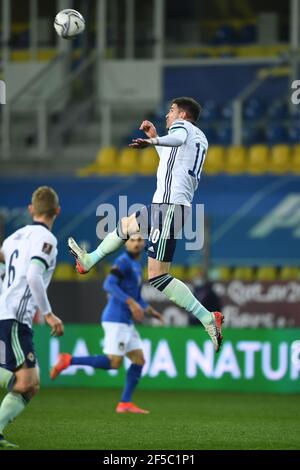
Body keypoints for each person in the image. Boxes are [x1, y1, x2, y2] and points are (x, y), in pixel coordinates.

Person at [68, 97, 224, 352]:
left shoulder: (182, 129)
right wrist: (155, 139)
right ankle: (89, 260)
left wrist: (152, 140)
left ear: (183, 114)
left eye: (172, 110)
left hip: (170, 207)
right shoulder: (199, 138)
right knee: (126, 224)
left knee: (158, 275)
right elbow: (173, 155)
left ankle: (208, 317)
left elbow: (175, 139)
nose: (167, 115)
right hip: (167, 206)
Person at [50, 234, 163, 414]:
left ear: (144, 243)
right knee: (113, 363)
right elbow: (109, 285)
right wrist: (130, 303)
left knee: (139, 360)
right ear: (127, 244)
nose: (136, 243)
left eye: (139, 240)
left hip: (125, 321)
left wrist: (150, 311)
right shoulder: (123, 261)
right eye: (132, 240)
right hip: (116, 319)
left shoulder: (136, 266)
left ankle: (125, 403)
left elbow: (137, 297)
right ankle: (69, 360)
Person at [0, 186, 64, 449]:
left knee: (27, 382)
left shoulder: (12, 237)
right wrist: (48, 315)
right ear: (56, 211)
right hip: (15, 317)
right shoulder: (46, 241)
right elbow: (33, 275)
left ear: (31, 210)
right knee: (27, 382)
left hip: (6, 313)